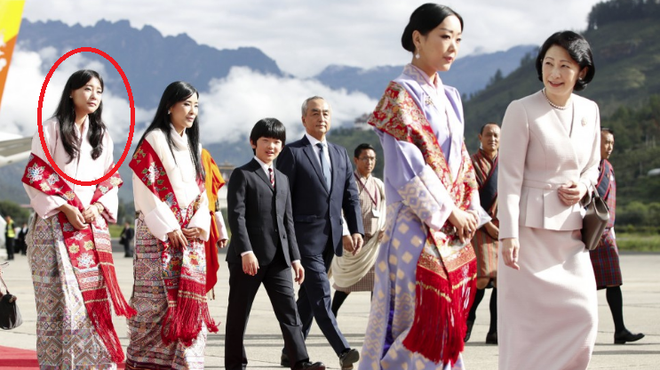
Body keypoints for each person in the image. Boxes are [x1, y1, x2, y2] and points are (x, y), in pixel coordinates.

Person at [360, 4, 489, 369]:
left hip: (451, 226)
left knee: (445, 320)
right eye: (445, 37)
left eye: (458, 39)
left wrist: (467, 212)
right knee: (415, 320)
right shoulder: (398, 94)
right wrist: (449, 211)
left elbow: (462, 160)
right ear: (418, 38)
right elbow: (406, 166)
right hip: (414, 225)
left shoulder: (451, 96)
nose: (453, 47)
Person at [498, 31, 601, 369]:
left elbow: (592, 165)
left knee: (584, 314)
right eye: (548, 64)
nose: (554, 73)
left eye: (564, 66)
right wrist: (508, 234)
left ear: (582, 71)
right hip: (527, 236)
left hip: (571, 232)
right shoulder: (521, 109)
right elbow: (509, 177)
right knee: (526, 326)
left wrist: (584, 187)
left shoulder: (590, 110)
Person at [22, 69, 134, 368]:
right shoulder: (52, 129)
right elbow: (35, 174)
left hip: (88, 229)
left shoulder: (103, 136)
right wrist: (65, 207)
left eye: (99, 90)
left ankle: (91, 363)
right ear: (71, 92)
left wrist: (96, 208)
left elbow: (109, 180)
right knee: (57, 304)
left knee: (88, 304)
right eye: (87, 88)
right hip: (53, 227)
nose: (94, 95)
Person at [127, 81, 217, 370]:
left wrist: (198, 224)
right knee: (153, 306)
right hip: (159, 236)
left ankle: (186, 363)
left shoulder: (196, 146)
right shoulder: (154, 139)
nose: (192, 111)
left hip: (189, 238)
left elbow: (204, 194)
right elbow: (146, 188)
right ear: (170, 106)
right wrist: (169, 227)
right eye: (187, 104)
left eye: (196, 106)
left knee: (189, 307)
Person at [225, 118, 326, 370]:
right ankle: (235, 365)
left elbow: (287, 222)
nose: (271, 146)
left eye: (277, 141)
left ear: (282, 146)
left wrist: (295, 258)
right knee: (239, 314)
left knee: (290, 314)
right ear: (253, 143)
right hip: (248, 259)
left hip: (279, 260)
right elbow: (236, 216)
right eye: (265, 141)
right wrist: (245, 251)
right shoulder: (242, 174)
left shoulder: (281, 178)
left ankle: (300, 363)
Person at [276, 96, 364, 369]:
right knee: (322, 294)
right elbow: (281, 198)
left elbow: (350, 196)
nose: (321, 118)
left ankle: (291, 351)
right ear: (304, 119)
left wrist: (355, 229)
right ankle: (343, 350)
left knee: (308, 300)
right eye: (315, 113)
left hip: (332, 239)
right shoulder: (292, 153)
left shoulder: (339, 153)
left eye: (326, 113)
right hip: (303, 238)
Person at [589, 128, 645, 344]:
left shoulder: (609, 167)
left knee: (614, 283)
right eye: (606, 142)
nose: (609, 147)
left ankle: (620, 329)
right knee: (585, 286)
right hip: (588, 234)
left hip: (606, 233)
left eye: (612, 142)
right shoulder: (587, 166)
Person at [330, 143, 386, 317]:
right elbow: (338, 210)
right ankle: (332, 314)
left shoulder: (378, 184)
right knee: (346, 285)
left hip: (375, 243)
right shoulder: (348, 183)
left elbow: (388, 208)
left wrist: (386, 227)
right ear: (356, 160)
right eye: (365, 158)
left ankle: (375, 320)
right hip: (355, 242)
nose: (369, 162)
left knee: (377, 283)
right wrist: (346, 234)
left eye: (372, 158)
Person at [465, 122, 500, 345]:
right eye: (488, 135)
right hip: (480, 226)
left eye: (497, 135)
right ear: (480, 136)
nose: (493, 139)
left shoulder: (507, 163)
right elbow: (468, 196)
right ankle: (467, 321)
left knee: (501, 281)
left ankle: (495, 330)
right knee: (481, 279)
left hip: (503, 227)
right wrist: (487, 225)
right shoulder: (471, 163)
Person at [200, 148, 228, 298]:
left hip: (203, 222)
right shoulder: (161, 146)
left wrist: (220, 229)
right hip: (174, 225)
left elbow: (213, 195)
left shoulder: (203, 154)